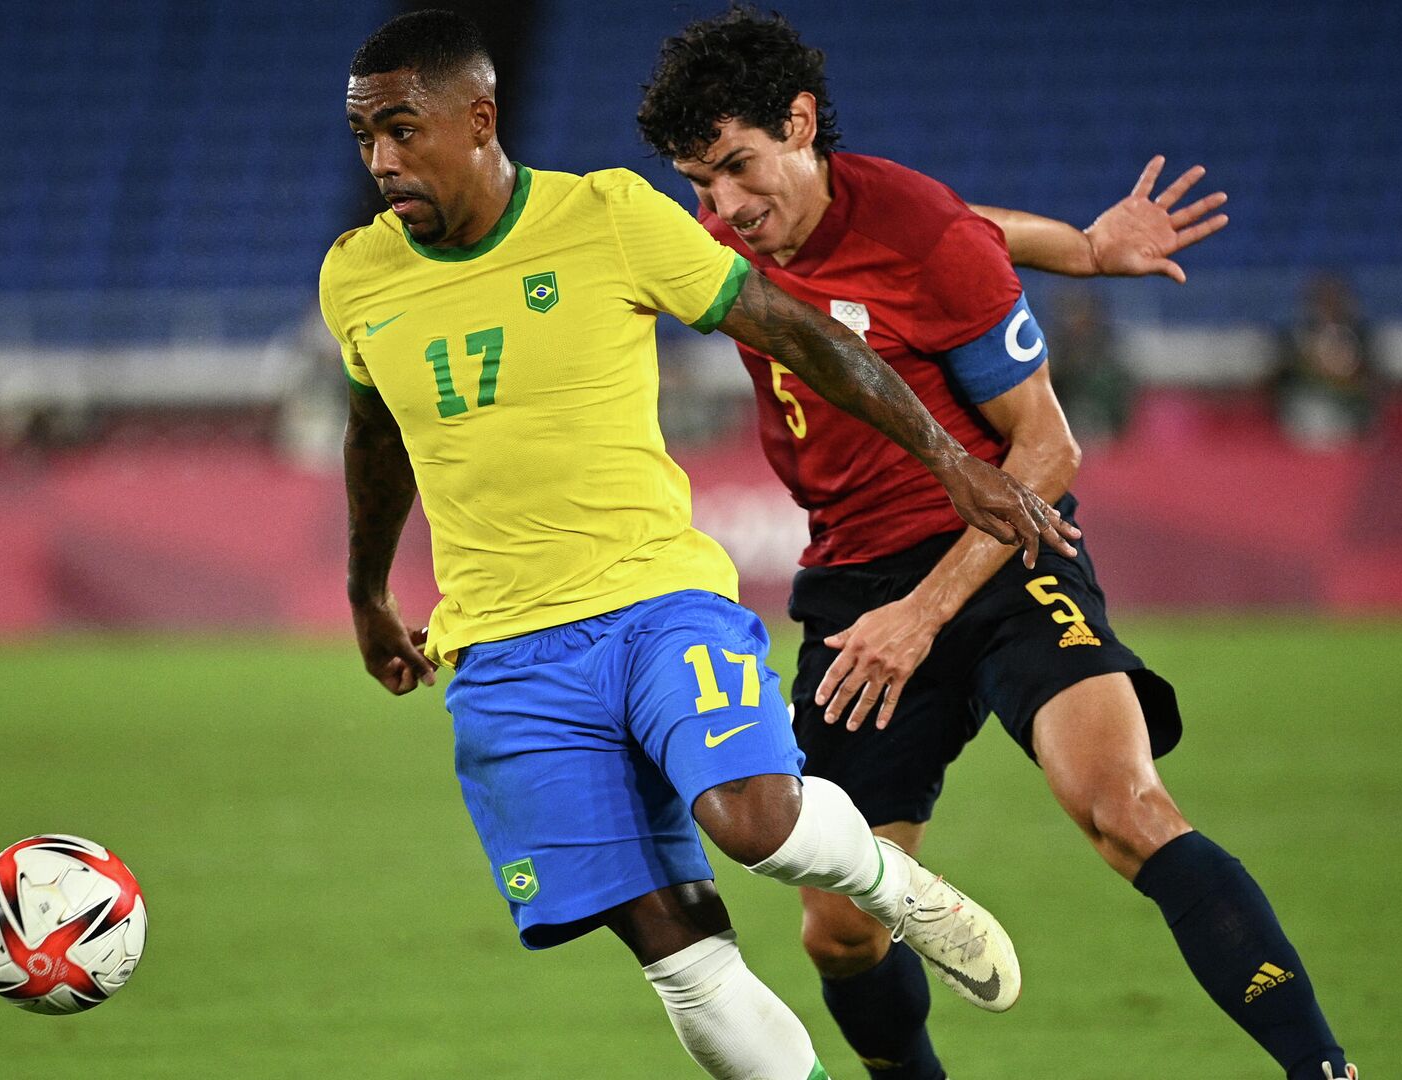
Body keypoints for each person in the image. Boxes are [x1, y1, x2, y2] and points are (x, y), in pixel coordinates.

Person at [321, 13, 1082, 1080]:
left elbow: (798, 329)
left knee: (755, 819)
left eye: (401, 131)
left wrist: (949, 460)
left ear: (479, 119)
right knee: (683, 959)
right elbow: (375, 433)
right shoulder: (355, 277)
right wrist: (363, 590)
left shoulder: (609, 217)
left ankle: (890, 884)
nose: (381, 161)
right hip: (499, 654)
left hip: (653, 601)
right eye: (366, 140)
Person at [637, 10, 1355, 1080]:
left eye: (740, 167)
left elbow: (1049, 450)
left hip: (1006, 553)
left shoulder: (920, 235)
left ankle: (1325, 1071)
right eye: (704, 182)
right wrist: (1080, 246)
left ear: (800, 124)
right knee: (841, 930)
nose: (728, 206)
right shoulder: (730, 236)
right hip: (853, 588)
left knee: (1126, 811)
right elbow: (980, 221)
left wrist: (924, 616)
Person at [1270, 274, 1380, 449]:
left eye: (1334, 300)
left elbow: (1371, 377)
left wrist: (1346, 374)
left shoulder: (1361, 334)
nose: (1329, 305)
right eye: (1323, 300)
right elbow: (1281, 379)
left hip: (1349, 411)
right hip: (1310, 412)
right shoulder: (1296, 336)